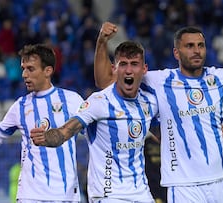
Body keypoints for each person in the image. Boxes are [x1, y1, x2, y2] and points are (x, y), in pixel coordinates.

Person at [93, 14, 223, 203]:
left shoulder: (220, 78)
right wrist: (102, 42)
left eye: (200, 45)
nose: (196, 50)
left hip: (221, 179)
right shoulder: (159, 81)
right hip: (183, 184)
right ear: (176, 53)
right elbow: (106, 83)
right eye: (189, 46)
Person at [30, 41, 159, 203]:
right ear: (114, 68)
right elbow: (65, 132)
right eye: (123, 64)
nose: (128, 70)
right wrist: (46, 137)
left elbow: (164, 136)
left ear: (144, 69)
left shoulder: (149, 103)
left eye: (134, 64)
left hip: (141, 193)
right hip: (108, 195)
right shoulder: (99, 102)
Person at [0, 44, 83, 202]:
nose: (24, 74)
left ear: (48, 71)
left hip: (66, 195)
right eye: (23, 68)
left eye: (30, 69)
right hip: (30, 196)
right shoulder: (20, 106)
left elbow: (93, 135)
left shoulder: (72, 100)